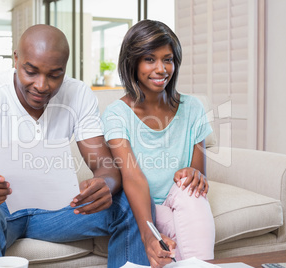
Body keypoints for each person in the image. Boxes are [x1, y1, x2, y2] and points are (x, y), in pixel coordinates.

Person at [0, 24, 149, 268]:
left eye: (55, 75)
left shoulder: (78, 94)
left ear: (65, 69)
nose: (42, 85)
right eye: (31, 71)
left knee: (131, 199)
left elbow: (105, 167)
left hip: (56, 211)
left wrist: (105, 185)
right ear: (16, 59)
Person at [101, 20, 215, 267]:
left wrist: (194, 173)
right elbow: (132, 177)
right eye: (150, 59)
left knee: (190, 191)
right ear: (132, 62)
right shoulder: (116, 114)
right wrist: (149, 232)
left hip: (183, 199)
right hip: (146, 205)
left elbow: (197, 176)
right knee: (184, 216)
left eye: (168, 59)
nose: (161, 68)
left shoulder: (193, 108)